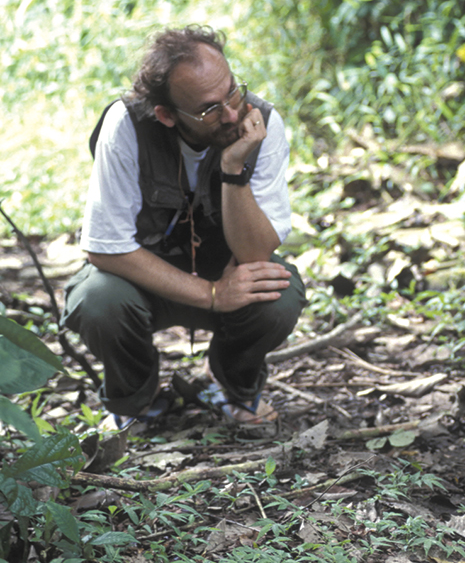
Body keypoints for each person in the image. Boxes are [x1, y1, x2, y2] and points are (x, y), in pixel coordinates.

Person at [61, 26, 306, 429]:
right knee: (97, 298)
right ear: (166, 114)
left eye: (232, 91)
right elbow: (105, 247)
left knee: (277, 294)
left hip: (221, 268)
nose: (231, 113)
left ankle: (230, 386)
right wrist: (210, 294)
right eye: (210, 108)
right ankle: (135, 399)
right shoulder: (127, 125)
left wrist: (233, 169)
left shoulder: (262, 124)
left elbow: (254, 254)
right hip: (143, 281)